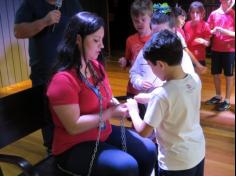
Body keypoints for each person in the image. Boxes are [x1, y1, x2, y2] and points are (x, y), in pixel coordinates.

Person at [46, 11, 156, 176]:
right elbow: (73, 126)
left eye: (101, 39)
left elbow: (105, 97)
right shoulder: (63, 80)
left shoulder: (95, 67)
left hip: (102, 132)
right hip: (73, 146)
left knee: (148, 150)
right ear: (77, 40)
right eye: (96, 40)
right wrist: (111, 112)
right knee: (126, 166)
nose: (102, 45)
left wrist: (114, 104)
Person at [127, 30, 205, 176]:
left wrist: (133, 111)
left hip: (174, 163)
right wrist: (150, 97)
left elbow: (144, 132)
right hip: (197, 152)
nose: (151, 69)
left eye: (150, 65)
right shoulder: (194, 79)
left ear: (161, 65)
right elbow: (178, 97)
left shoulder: (161, 95)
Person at [14, 0, 83, 154]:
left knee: (74, 104)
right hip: (44, 71)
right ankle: (52, 148)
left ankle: (74, 141)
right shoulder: (30, 4)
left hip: (71, 68)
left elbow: (83, 28)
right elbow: (18, 31)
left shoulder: (73, 3)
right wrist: (45, 21)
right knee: (46, 109)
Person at [130, 3, 196, 96]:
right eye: (154, 33)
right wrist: (139, 82)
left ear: (173, 30)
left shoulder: (181, 56)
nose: (158, 38)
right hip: (146, 105)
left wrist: (156, 97)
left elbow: (188, 86)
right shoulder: (145, 52)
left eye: (162, 33)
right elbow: (134, 72)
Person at [118, 0, 153, 118]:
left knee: (148, 119)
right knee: (134, 117)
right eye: (136, 21)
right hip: (133, 88)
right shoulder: (130, 40)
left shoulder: (156, 38)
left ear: (150, 18)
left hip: (150, 89)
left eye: (143, 19)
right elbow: (129, 61)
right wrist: (124, 61)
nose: (140, 23)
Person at [206, 0, 235, 111]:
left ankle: (227, 100)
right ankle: (218, 96)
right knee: (216, 74)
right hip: (215, 49)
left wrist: (224, 31)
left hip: (230, 50)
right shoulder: (214, 14)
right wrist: (212, 32)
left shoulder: (233, 14)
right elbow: (208, 31)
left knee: (229, 75)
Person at [173, 4, 208, 74]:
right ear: (174, 18)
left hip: (184, 60)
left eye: (184, 19)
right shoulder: (177, 31)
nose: (184, 21)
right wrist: (198, 64)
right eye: (182, 19)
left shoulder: (181, 30)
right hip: (178, 62)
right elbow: (186, 50)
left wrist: (203, 41)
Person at [184, 1, 211, 72]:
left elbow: (208, 43)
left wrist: (203, 41)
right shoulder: (186, 24)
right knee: (188, 77)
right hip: (187, 57)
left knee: (197, 79)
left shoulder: (205, 25)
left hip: (199, 58)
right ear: (189, 13)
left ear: (202, 13)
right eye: (192, 12)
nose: (195, 14)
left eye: (197, 12)